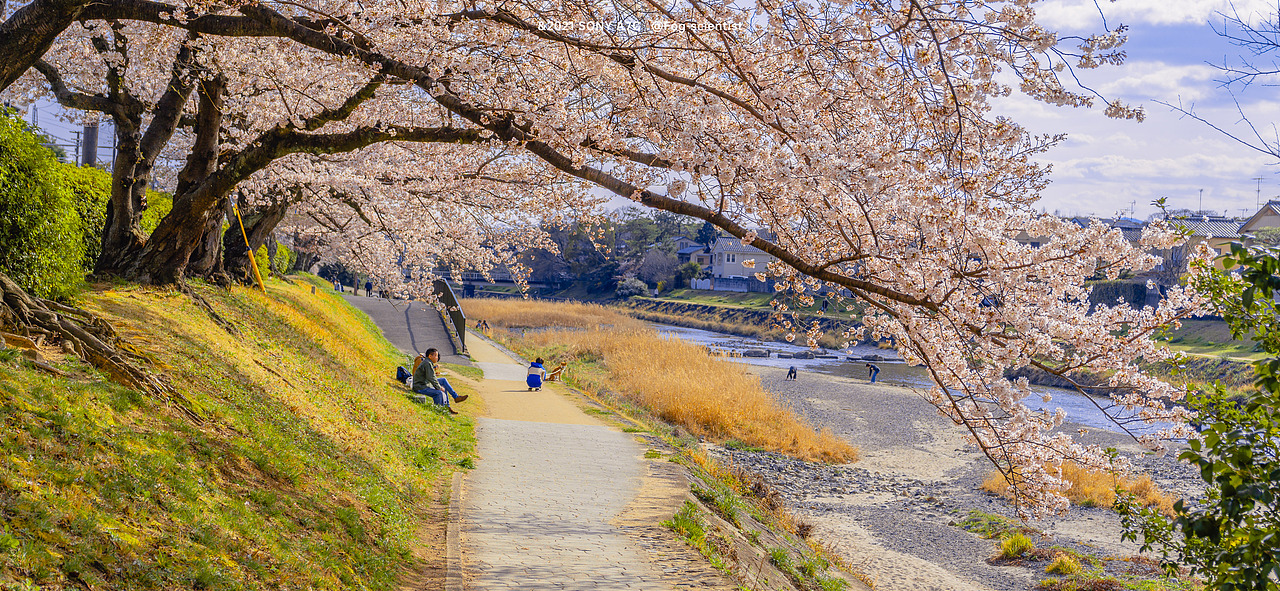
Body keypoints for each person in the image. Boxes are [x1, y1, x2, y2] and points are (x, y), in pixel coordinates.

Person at [413, 348, 457, 414]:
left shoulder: (427, 362)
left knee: (443, 380)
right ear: (430, 356)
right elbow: (431, 378)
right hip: (420, 387)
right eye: (436, 356)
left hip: (425, 383)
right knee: (439, 393)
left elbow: (430, 376)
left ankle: (454, 399)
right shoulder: (427, 363)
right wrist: (439, 387)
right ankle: (438, 411)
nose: (437, 358)